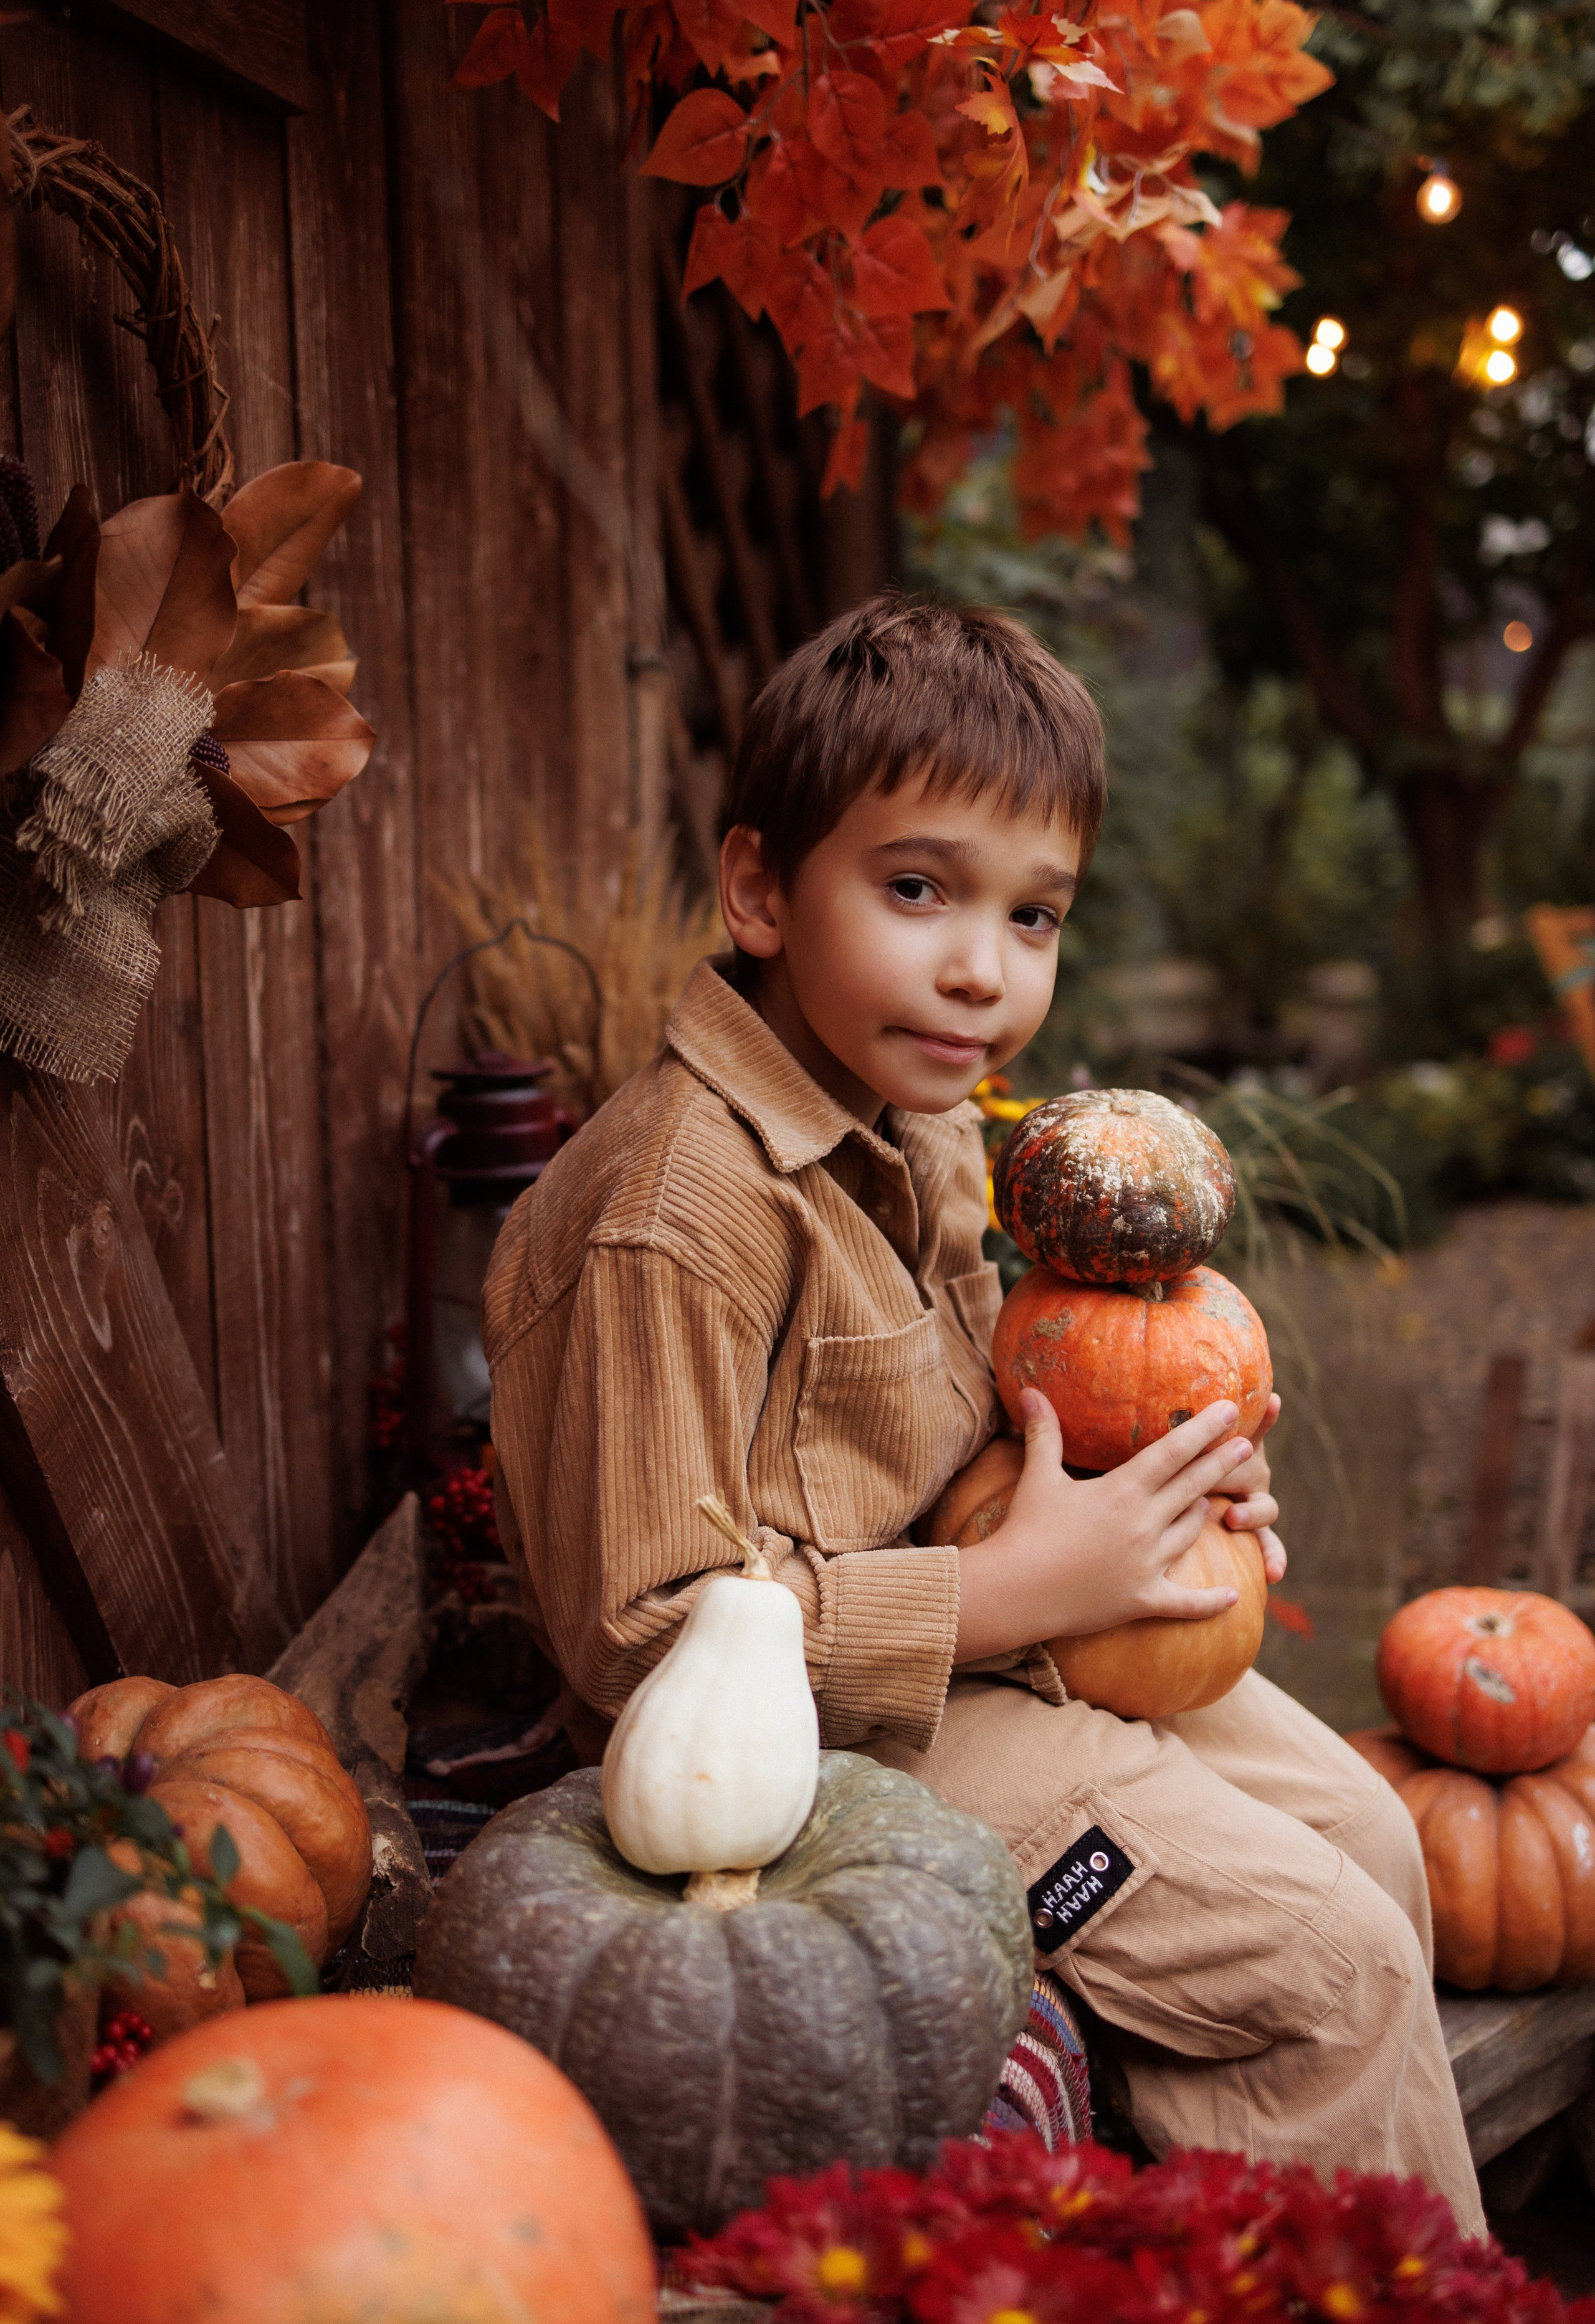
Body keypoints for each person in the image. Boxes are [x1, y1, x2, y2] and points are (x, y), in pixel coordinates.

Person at [484, 594, 1482, 2232]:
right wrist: (1017, 1592)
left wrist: (1157, 1505)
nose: (982, 971)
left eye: (1036, 917)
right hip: (816, 1743)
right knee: (1327, 1962)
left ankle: (1244, 2202)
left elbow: (949, 1433)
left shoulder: (926, 1125)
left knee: (1377, 1842)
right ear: (758, 890)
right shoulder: (676, 1214)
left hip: (995, 1641)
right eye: (919, 890)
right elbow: (646, 1638)